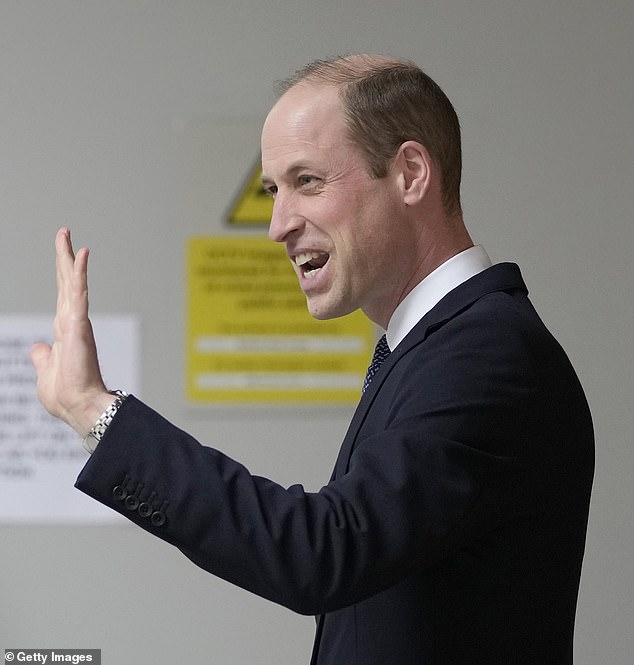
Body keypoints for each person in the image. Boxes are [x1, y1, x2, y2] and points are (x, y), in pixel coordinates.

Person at [31, 55, 594, 664]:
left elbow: (323, 552)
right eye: (274, 190)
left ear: (409, 173)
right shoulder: (437, 348)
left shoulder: (489, 354)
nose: (277, 226)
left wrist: (96, 411)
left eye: (308, 182)